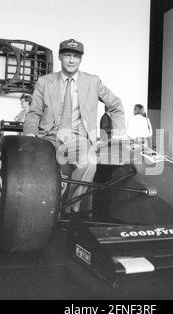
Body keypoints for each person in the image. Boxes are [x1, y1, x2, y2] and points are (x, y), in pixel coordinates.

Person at [23, 38, 125, 212]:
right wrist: (30, 134)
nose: (71, 60)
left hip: (77, 138)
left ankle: (70, 208)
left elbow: (115, 105)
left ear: (80, 59)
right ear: (60, 57)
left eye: (75, 56)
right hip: (48, 136)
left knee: (89, 162)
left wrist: (119, 135)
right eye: (67, 55)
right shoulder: (45, 82)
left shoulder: (93, 81)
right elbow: (34, 113)